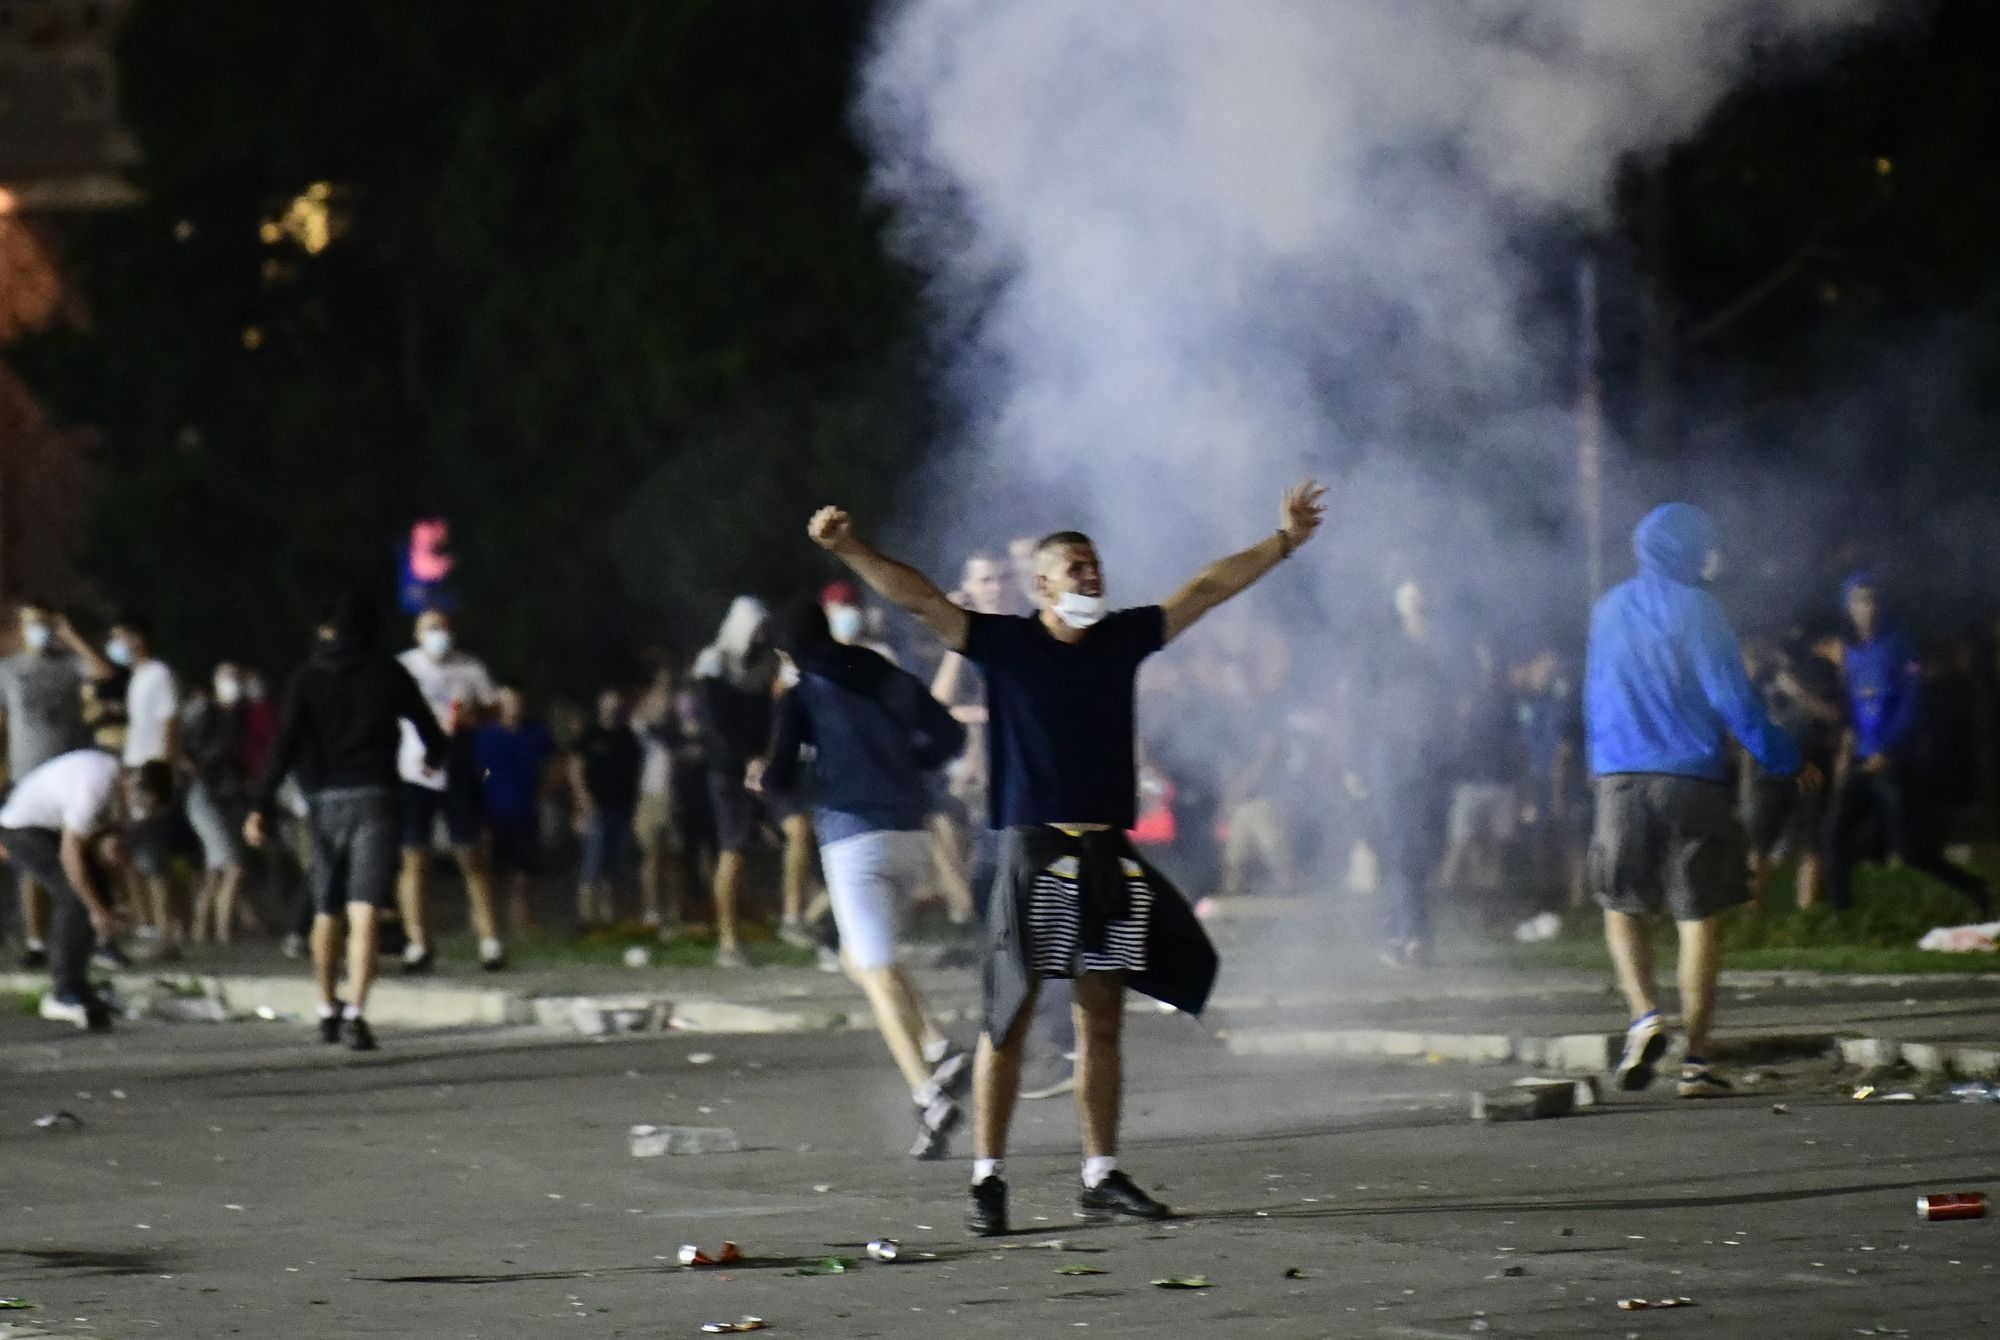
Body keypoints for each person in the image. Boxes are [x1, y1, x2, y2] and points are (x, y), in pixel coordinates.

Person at [809, 478, 1326, 1236]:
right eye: (1075, 568)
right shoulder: (1005, 643)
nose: (1091, 577)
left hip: (1105, 859)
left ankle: (1101, 1173)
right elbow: (919, 598)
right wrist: (848, 547)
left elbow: (1208, 588)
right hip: (1031, 852)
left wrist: (1282, 541)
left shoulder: (1120, 639)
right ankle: (987, 1180)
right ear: (1042, 583)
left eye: (1095, 566)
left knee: (1103, 1021)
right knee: (1008, 1022)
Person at [1584, 503, 1815, 1101]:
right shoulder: (1700, 609)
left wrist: (1601, 766)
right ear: (1687, 551)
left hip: (1620, 778)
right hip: (1692, 781)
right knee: (1699, 916)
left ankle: (1643, 1016)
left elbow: (1596, 696)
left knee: (1622, 906)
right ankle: (1698, 1061)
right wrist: (1786, 759)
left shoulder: (1607, 609)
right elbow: (1732, 698)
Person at [758, 598, 972, 1158]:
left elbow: (779, 775)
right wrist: (903, 764)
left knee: (874, 972)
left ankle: (928, 1095)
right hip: (912, 833)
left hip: (853, 840)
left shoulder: (802, 694)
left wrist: (778, 776)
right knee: (863, 957)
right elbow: (950, 736)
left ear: (786, 651)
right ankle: (939, 1042)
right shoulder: (882, 674)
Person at [248, 591, 449, 1051]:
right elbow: (428, 730)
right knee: (366, 909)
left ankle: (325, 1008)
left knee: (326, 908)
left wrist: (260, 805)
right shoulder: (389, 672)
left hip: (323, 802)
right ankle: (357, 1012)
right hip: (378, 796)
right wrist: (435, 759)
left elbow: (284, 744)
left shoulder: (306, 678)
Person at [1822, 574, 1991, 916]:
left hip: (1894, 763)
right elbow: (1854, 708)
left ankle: (1975, 888)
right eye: (1858, 601)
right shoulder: (1852, 653)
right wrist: (1848, 747)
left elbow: (1912, 704)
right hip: (1861, 759)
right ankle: (1842, 915)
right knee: (1833, 835)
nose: (1865, 609)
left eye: (1870, 600)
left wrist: (1889, 750)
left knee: (1910, 850)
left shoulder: (1900, 645)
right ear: (1848, 607)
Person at [0, 750, 164, 1029]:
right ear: (133, 785)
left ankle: (81, 975)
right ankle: (64, 990)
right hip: (22, 828)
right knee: (74, 895)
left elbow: (111, 856)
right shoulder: (95, 788)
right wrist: (97, 909)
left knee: (93, 889)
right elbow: (70, 856)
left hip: (49, 827)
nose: (137, 815)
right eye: (142, 806)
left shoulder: (115, 779)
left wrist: (112, 903)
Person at [0, 601, 113, 968]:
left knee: (82, 856)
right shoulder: (9, 670)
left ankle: (99, 935)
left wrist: (71, 635)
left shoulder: (67, 665)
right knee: (32, 865)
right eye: (35, 624)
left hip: (69, 776)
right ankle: (36, 940)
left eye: (46, 624)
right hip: (26, 776)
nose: (42, 630)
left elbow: (103, 673)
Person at [396, 609, 506, 971]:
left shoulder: (470, 668)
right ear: (416, 633)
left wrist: (473, 715)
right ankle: (418, 943)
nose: (437, 633)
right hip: (415, 769)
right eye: (430, 628)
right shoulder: (403, 667)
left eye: (442, 627)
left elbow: (493, 709)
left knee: (470, 854)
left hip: (458, 768)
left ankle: (490, 940)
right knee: (414, 857)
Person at [1360, 580, 1458, 967]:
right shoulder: (1387, 653)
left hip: (1426, 765)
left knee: (1418, 850)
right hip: (1393, 762)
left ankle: (1413, 933)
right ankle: (1408, 933)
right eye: (1414, 605)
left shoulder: (1438, 649)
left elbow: (1446, 705)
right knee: (1400, 849)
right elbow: (1367, 707)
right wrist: (1359, 762)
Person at [694, 597, 778, 968]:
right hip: (728, 771)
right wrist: (746, 759)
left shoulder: (764, 665)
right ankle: (728, 941)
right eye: (756, 628)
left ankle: (806, 923)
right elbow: (715, 724)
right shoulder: (714, 663)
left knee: (794, 833)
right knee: (734, 849)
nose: (762, 635)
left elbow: (768, 715)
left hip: (761, 765)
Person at [109, 614, 182, 951]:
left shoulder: (158, 674)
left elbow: (169, 723)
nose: (115, 645)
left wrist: (162, 774)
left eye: (120, 637)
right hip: (135, 771)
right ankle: (149, 924)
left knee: (151, 854)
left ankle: (165, 930)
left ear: (137, 637)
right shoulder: (136, 678)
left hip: (150, 772)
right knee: (135, 851)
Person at [182, 662, 260, 944]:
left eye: (237, 676)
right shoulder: (204, 710)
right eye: (227, 676)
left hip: (227, 795)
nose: (234, 682)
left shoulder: (238, 717)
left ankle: (202, 931)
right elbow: (182, 744)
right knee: (233, 865)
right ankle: (223, 933)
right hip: (202, 793)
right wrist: (195, 770)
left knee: (217, 869)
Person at [475, 687, 556, 934]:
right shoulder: (486, 737)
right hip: (493, 814)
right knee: (493, 873)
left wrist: (545, 789)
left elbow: (557, 762)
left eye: (517, 702)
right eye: (508, 702)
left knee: (524, 874)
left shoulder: (535, 734)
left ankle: (523, 923)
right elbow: (475, 772)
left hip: (526, 812)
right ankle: (485, 923)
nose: (514, 707)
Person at [571, 688, 644, 927]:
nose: (611, 712)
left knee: (614, 868)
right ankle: (587, 919)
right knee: (592, 865)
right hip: (595, 811)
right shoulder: (589, 737)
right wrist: (583, 803)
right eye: (607, 707)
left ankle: (609, 918)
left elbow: (636, 774)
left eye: (616, 707)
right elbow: (575, 770)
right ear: (600, 708)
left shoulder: (628, 737)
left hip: (622, 810)